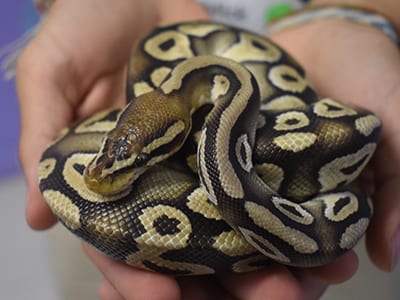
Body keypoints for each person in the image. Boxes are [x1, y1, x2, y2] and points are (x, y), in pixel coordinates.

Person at [15, 0, 400, 299]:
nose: (102, 174)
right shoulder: (168, 102)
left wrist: (365, 14)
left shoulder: (205, 110)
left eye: (142, 160)